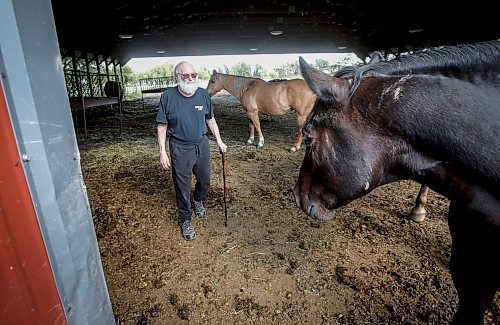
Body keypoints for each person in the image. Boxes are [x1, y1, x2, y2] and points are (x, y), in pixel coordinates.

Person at [156, 61, 227, 241]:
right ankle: (186, 219)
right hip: (179, 147)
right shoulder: (167, 97)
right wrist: (162, 151)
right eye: (185, 76)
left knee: (205, 181)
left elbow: (210, 120)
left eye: (193, 75)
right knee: (182, 186)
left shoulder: (203, 95)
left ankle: (198, 199)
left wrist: (219, 140)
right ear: (177, 77)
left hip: (201, 143)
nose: (190, 79)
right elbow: (162, 126)